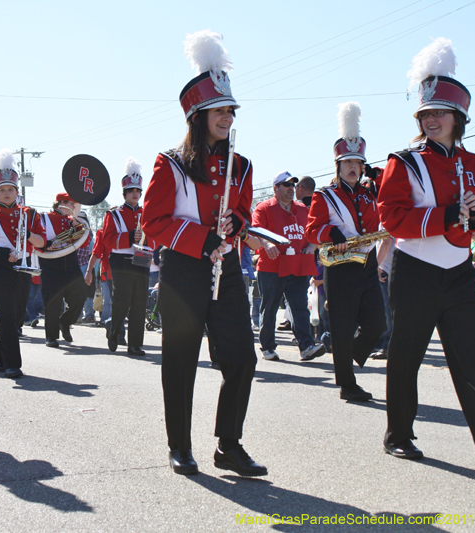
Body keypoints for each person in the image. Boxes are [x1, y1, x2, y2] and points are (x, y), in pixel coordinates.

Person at [142, 30, 266, 477]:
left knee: (242, 358)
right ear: (198, 113)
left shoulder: (243, 164)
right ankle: (180, 445)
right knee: (180, 361)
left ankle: (228, 445)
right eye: (220, 110)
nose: (228, 117)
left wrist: (239, 226)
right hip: (183, 270)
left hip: (227, 269)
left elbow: (243, 212)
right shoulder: (171, 162)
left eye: (231, 110)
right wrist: (201, 238)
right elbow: (152, 222)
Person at [377, 38, 475, 464]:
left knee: (473, 361)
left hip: (459, 272)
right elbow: (392, 218)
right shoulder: (404, 161)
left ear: (458, 117)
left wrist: (473, 221)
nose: (431, 119)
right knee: (406, 357)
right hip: (416, 269)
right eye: (425, 113)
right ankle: (398, 433)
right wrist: (449, 215)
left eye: (439, 112)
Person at [305, 102, 386, 402]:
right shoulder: (324, 195)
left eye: (358, 163)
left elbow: (385, 215)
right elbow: (312, 229)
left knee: (378, 322)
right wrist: (333, 234)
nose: (353, 167)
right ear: (338, 165)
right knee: (341, 325)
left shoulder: (369, 193)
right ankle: (347, 384)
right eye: (348, 162)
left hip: (367, 262)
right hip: (339, 266)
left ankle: (350, 352)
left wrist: (379, 181)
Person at [0, 150, 46, 378]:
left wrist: (26, 233)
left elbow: (42, 241)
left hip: (23, 267)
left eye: (11, 189)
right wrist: (0, 251)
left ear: (17, 191)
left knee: (16, 317)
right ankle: (12, 363)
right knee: (7, 315)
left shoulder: (30, 213)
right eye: (2, 190)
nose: (7, 193)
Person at [253, 171, 325, 362]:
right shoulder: (264, 207)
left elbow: (315, 230)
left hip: (298, 265)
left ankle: (306, 345)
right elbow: (256, 230)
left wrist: (312, 246)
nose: (291, 189)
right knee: (269, 307)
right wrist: (267, 244)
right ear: (275, 188)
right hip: (271, 267)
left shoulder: (302, 208)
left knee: (299, 307)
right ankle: (268, 347)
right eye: (286, 185)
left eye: (293, 185)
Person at [99, 158, 153, 356]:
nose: (135, 194)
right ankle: (114, 332)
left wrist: (147, 241)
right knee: (121, 300)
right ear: (125, 193)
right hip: (121, 260)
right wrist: (131, 237)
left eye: (138, 191)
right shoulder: (113, 214)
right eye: (131, 191)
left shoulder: (146, 213)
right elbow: (107, 240)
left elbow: (154, 238)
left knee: (140, 302)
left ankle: (135, 344)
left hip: (142, 259)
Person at [37, 193, 89, 348]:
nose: (75, 208)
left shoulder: (73, 221)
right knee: (52, 301)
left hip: (71, 264)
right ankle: (51, 337)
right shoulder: (43, 218)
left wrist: (78, 226)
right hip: (51, 264)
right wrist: (45, 244)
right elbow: (36, 238)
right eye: (72, 205)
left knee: (80, 295)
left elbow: (85, 243)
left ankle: (65, 322)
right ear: (63, 203)